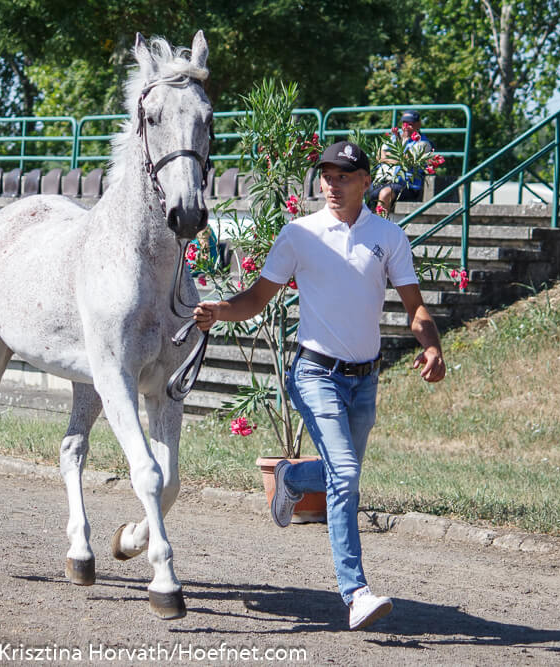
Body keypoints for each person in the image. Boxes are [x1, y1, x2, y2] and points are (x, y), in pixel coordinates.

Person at [192, 140, 445, 631]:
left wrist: (432, 346)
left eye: (343, 176)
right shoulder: (299, 234)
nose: (332, 184)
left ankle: (289, 479)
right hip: (314, 374)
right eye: (327, 176)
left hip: (364, 381)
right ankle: (356, 593)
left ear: (366, 181)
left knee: (340, 474)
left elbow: (415, 307)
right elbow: (257, 298)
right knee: (345, 474)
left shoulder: (388, 237)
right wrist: (220, 310)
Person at [370, 110, 434, 216]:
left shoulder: (423, 143)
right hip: (383, 181)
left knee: (385, 193)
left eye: (410, 124)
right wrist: (397, 159)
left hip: (406, 186)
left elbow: (407, 161)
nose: (406, 127)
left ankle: (379, 224)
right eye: (404, 123)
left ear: (418, 124)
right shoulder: (393, 137)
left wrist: (389, 157)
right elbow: (379, 156)